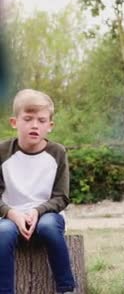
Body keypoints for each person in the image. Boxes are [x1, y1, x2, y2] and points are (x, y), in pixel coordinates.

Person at [0, 89, 76, 294]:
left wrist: (38, 211)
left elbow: (62, 196)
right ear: (14, 122)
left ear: (50, 126)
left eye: (41, 120)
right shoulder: (2, 151)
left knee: (49, 227)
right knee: (2, 232)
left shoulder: (57, 152)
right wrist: (10, 212)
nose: (35, 125)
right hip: (11, 217)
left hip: (47, 214)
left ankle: (66, 288)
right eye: (28, 118)